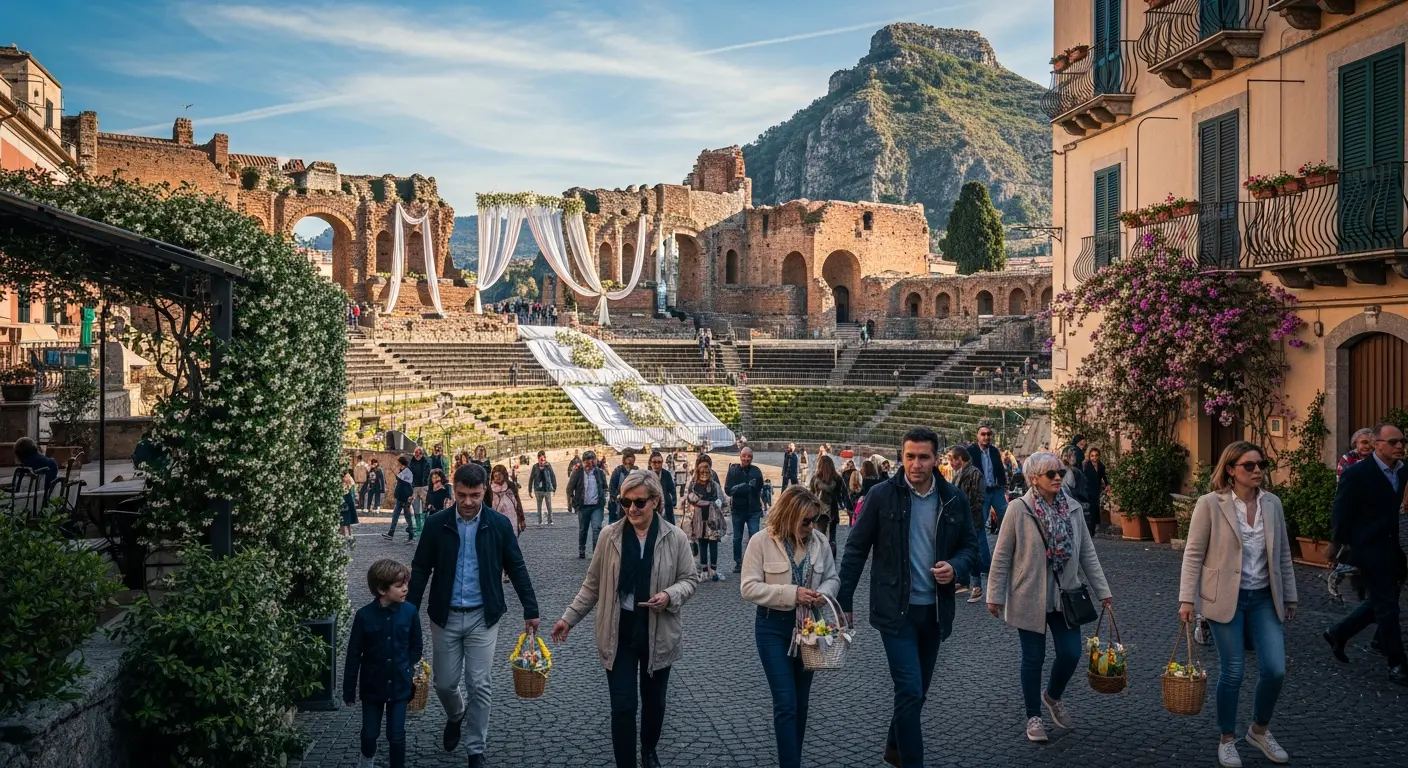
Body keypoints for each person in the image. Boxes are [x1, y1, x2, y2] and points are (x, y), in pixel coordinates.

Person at [837, 427, 979, 768]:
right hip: (894, 610)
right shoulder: (881, 495)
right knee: (910, 689)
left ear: (937, 459)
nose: (916, 464)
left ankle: (894, 747)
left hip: (934, 611)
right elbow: (855, 549)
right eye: (910, 456)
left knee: (916, 693)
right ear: (901, 457)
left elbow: (971, 547)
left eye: (924, 457)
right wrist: (844, 602)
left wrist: (955, 566)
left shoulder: (953, 499)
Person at [552, 472, 699, 768]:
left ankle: (648, 748)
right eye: (625, 502)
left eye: (639, 502)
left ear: (656, 502)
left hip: (658, 631)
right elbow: (592, 584)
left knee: (654, 703)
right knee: (623, 706)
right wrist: (568, 618)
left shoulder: (675, 536)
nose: (632, 509)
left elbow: (690, 579)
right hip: (619, 631)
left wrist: (670, 595)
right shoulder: (609, 536)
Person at [409, 463, 539, 768]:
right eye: (463, 495)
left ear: (485, 493)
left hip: (484, 616)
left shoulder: (498, 525)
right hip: (445, 616)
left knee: (479, 683)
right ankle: (456, 714)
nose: (468, 502)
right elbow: (419, 568)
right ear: (454, 491)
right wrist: (407, 611)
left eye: (475, 496)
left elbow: (517, 567)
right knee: (444, 683)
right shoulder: (436, 523)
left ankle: (475, 748)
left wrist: (530, 609)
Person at [1179, 441, 1296, 767]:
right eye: (1249, 465)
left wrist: (1290, 594)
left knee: (1275, 669)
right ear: (1231, 469)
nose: (1257, 470)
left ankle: (1258, 730)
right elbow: (1193, 554)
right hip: (1225, 598)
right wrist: (1187, 598)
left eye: (1261, 464)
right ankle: (1227, 737)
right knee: (1233, 671)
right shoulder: (1210, 504)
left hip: (1263, 598)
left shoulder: (1272, 504)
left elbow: (1283, 552)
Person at [986, 452, 1112, 744]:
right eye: (1050, 474)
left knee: (1072, 654)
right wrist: (994, 594)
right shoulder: (1019, 509)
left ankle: (1052, 696)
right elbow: (1002, 554)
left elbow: (1087, 553)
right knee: (1034, 657)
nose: (1058, 477)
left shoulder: (1073, 508)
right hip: (1028, 594)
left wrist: (1103, 591)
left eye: (1059, 472)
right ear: (1034, 479)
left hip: (1066, 593)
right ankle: (1034, 716)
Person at [740, 486, 839, 768]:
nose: (811, 526)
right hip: (773, 626)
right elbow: (748, 588)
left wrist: (824, 593)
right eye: (805, 521)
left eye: (815, 520)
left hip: (810, 626)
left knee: (801, 702)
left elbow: (833, 578)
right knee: (785, 702)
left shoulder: (819, 541)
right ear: (789, 516)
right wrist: (792, 593)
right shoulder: (761, 541)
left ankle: (792, 757)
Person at [1325, 422, 1408, 686]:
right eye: (1393, 442)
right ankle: (1397, 663)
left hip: (1392, 548)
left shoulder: (1402, 472)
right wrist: (1338, 547)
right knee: (1387, 607)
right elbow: (1340, 513)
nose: (1399, 446)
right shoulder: (1358, 474)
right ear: (1376, 444)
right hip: (1367, 549)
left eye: (1402, 442)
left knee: (1385, 601)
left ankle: (1339, 632)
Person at [344, 559, 422, 768]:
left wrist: (407, 666)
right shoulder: (364, 616)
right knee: (370, 733)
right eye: (399, 586)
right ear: (381, 589)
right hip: (372, 687)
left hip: (399, 685)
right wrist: (349, 691)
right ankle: (367, 760)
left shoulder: (410, 612)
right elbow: (353, 655)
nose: (405, 588)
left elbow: (416, 646)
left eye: (406, 583)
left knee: (396, 736)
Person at [948, 447, 987, 604]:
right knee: (962, 550)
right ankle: (964, 582)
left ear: (959, 459)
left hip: (971, 520)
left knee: (974, 551)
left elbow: (979, 499)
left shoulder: (974, 473)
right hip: (962, 520)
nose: (950, 463)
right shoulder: (960, 473)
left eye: (951, 459)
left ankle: (977, 586)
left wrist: (968, 515)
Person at [683, 461, 727, 581]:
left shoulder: (714, 485)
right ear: (698, 472)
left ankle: (713, 570)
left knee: (713, 544)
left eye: (707, 471)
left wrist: (717, 504)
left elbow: (722, 500)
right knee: (702, 544)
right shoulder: (693, 485)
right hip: (698, 519)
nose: (704, 474)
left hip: (713, 519)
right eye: (702, 471)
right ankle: (704, 571)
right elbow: (689, 500)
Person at [726, 447, 765, 573]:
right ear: (740, 456)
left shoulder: (756, 471)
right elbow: (728, 490)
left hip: (753, 510)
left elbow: (760, 487)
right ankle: (738, 562)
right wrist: (744, 488)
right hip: (738, 510)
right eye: (744, 456)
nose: (746, 458)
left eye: (749, 456)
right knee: (737, 538)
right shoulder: (733, 471)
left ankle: (754, 562)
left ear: (752, 458)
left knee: (755, 536)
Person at [569, 450, 609, 559]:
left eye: (591, 462)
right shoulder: (577, 473)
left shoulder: (599, 473)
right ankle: (582, 549)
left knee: (597, 528)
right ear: (583, 462)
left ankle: (596, 553)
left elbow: (605, 487)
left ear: (595, 462)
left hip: (597, 506)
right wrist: (572, 501)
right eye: (587, 463)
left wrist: (605, 499)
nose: (589, 465)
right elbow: (570, 488)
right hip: (583, 506)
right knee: (583, 529)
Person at [968, 425, 1009, 528]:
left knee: (1006, 517)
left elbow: (1000, 469)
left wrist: (1004, 487)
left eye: (989, 434)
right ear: (977, 436)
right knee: (980, 521)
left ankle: (1005, 540)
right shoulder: (970, 451)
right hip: (981, 492)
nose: (986, 437)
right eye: (983, 434)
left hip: (996, 491)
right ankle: (978, 543)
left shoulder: (994, 451)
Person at [808, 455, 848, 557]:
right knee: (832, 540)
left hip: (818, 513)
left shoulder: (815, 479)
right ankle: (831, 563)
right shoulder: (838, 479)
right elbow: (844, 495)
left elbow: (809, 495)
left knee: (817, 538)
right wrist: (850, 508)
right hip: (832, 513)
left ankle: (817, 561)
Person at [383, 455, 416, 543]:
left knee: (407, 516)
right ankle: (391, 534)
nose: (397, 465)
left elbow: (405, 482)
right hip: (400, 497)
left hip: (405, 498)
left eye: (398, 463)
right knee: (395, 515)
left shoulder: (407, 471)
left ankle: (411, 535)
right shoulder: (403, 471)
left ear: (402, 463)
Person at [490, 464, 527, 537]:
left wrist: (522, 520)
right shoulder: (489, 489)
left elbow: (518, 504)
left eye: (499, 475)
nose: (498, 477)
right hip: (495, 520)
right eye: (496, 476)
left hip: (511, 518)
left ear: (504, 475)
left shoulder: (511, 486)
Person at [609, 448, 640, 525]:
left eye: (631, 457)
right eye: (628, 457)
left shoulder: (637, 470)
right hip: (620, 503)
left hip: (633, 502)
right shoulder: (618, 471)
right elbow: (612, 487)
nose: (630, 459)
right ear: (624, 458)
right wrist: (617, 496)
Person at [1081, 447, 1108, 533]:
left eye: (1096, 455)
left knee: (1096, 507)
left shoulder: (1101, 466)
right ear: (1089, 456)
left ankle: (1094, 526)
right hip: (1088, 489)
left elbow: (1104, 476)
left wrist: (1107, 485)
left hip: (1097, 489)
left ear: (1099, 456)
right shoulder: (1086, 466)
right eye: (1092, 456)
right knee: (1091, 508)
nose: (1094, 458)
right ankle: (1091, 528)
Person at [528, 451, 558, 526]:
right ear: (538, 459)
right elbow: (531, 478)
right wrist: (529, 490)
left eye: (543, 459)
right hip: (538, 490)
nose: (542, 461)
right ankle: (540, 521)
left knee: (549, 506)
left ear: (545, 459)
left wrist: (554, 487)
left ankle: (550, 521)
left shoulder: (548, 466)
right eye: (541, 459)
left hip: (547, 489)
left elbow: (552, 476)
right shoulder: (535, 467)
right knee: (539, 506)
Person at [648, 451, 678, 524]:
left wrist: (673, 502)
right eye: (654, 462)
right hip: (651, 510)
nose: (657, 465)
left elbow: (672, 489)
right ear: (650, 463)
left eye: (659, 462)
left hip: (666, 508)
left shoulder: (666, 474)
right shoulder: (646, 475)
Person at [409, 446, 431, 530]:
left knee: (426, 506)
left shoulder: (426, 462)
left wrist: (426, 481)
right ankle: (418, 525)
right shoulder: (411, 463)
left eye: (419, 453)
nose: (417, 454)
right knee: (416, 507)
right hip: (415, 488)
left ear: (422, 454)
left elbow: (429, 473)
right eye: (416, 452)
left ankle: (426, 524)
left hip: (424, 487)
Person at [340, 472, 359, 540]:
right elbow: (353, 488)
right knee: (347, 516)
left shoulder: (344, 477)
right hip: (348, 497)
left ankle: (343, 534)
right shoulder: (349, 477)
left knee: (343, 516)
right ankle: (349, 534)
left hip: (344, 497)